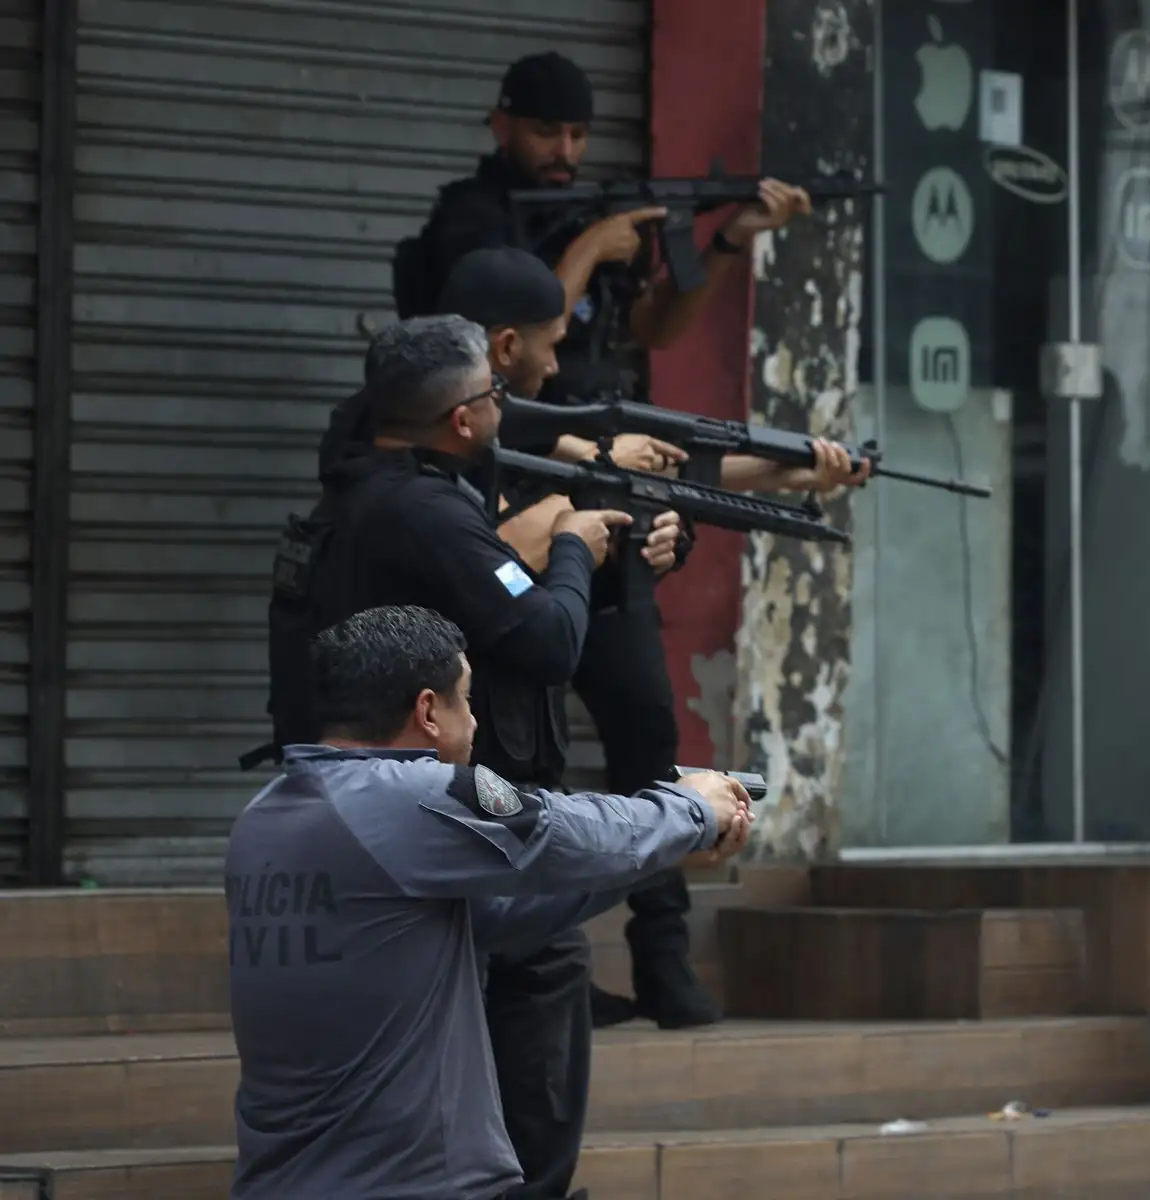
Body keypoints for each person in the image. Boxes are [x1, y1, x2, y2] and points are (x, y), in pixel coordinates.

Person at [396, 53, 868, 1033]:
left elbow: (656, 321)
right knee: (514, 738)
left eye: (577, 135)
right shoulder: (472, 227)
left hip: (599, 486)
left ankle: (662, 954)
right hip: (505, 492)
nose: (565, 153)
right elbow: (483, 353)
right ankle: (527, 960)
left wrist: (726, 239)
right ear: (501, 126)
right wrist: (586, 253)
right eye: (546, 134)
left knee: (646, 724)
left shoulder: (591, 222)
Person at [270, 314, 686, 1200]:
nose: (508, 406)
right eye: (495, 396)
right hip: (447, 817)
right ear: (462, 418)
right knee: (541, 974)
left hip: (375, 815)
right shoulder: (424, 510)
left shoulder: (368, 487)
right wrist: (570, 547)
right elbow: (542, 641)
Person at [228, 604, 753, 1200]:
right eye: (467, 700)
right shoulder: (409, 795)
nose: (475, 723)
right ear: (428, 711)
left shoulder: (265, 816)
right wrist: (687, 808)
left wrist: (659, 858)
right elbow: (565, 829)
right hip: (408, 1184)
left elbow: (496, 917)